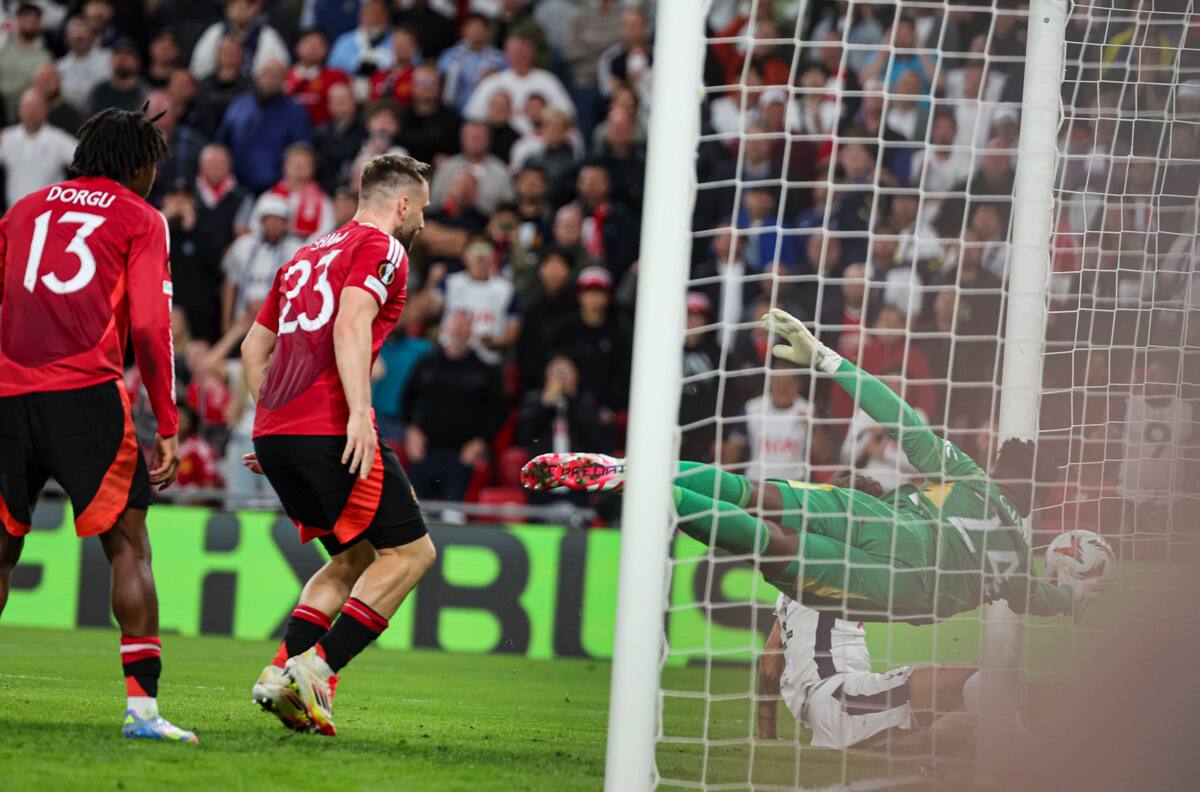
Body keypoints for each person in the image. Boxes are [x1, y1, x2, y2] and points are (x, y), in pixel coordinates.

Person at [525, 309, 1109, 624]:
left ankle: (628, 469)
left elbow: (902, 419)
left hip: (886, 520)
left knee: (756, 494)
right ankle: (644, 490)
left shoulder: (967, 475)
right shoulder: (1014, 559)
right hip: (908, 586)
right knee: (774, 544)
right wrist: (1072, 599)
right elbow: (1037, 599)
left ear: (999, 468)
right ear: (1040, 498)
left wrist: (828, 358)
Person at [0, 107, 194, 743]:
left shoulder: (23, 211)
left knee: (1, 548)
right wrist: (168, 420)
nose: (155, 176)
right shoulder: (141, 217)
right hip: (85, 394)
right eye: (153, 165)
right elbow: (151, 328)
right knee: (129, 546)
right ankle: (143, 713)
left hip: (8, 392)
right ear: (137, 165)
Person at [238, 154, 436, 736]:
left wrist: (274, 419)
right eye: (422, 209)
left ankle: (279, 673)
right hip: (330, 425)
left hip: (277, 432)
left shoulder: (303, 255)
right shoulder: (383, 247)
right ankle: (316, 668)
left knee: (351, 558)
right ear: (402, 204)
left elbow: (252, 349)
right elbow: (350, 325)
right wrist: (358, 414)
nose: (423, 222)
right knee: (412, 554)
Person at [757, 589, 979, 756]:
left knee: (941, 740)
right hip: (840, 697)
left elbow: (769, 662)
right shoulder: (836, 569)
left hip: (826, 716)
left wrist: (767, 733)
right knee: (976, 677)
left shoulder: (791, 590)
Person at [403, 310, 508, 501]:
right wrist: (411, 430)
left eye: (465, 326)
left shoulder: (486, 371)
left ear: (472, 332)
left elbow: (499, 411)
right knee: (414, 509)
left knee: (454, 512)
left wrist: (481, 441)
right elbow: (406, 398)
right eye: (456, 325)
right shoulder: (426, 363)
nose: (460, 331)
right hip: (425, 451)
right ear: (446, 328)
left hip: (463, 455)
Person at [217, 58, 312, 193]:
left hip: (277, 189)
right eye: (266, 74)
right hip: (237, 187)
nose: (270, 79)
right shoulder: (239, 105)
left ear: (285, 79)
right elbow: (222, 143)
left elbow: (301, 152)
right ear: (257, 76)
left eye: (275, 75)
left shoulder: (295, 111)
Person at [221, 193, 302, 333]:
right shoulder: (243, 244)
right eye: (270, 220)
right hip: (242, 319)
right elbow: (230, 284)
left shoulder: (297, 250)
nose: (274, 225)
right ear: (262, 221)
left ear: (286, 224)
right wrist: (226, 324)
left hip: (278, 320)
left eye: (279, 221)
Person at [0, 88, 77, 207]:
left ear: (45, 110)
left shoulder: (58, 139)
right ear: (20, 110)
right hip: (15, 212)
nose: (31, 113)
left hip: (48, 211)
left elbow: (84, 158)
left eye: (36, 108)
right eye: (27, 107)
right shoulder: (7, 138)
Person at [190, 0, 290, 81]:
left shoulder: (267, 36)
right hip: (219, 89)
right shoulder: (216, 32)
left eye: (243, 8)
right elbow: (199, 70)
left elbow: (280, 69)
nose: (239, 13)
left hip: (254, 92)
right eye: (234, 7)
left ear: (253, 9)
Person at [437, 12, 507, 113]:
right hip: (451, 111)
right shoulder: (449, 56)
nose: (476, 31)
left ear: (488, 32)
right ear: (464, 31)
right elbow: (438, 81)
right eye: (473, 27)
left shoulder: (500, 59)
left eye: (480, 28)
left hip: (484, 112)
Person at [0, 2, 51, 121]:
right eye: (26, 17)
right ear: (17, 20)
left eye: (34, 19)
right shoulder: (4, 47)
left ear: (39, 24)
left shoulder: (45, 56)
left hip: (25, 108)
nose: (30, 21)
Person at [58, 14, 112, 113]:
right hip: (69, 117)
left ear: (93, 36)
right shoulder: (60, 66)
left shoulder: (109, 59)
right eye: (73, 32)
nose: (79, 37)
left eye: (83, 31)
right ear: (66, 39)